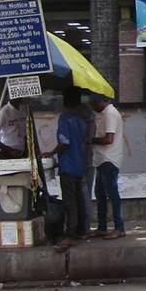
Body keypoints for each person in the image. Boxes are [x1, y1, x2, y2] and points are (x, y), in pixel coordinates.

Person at [45, 86, 90, 250]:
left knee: (70, 200)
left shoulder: (64, 118)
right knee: (79, 199)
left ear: (65, 100)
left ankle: (70, 233)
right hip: (79, 163)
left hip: (68, 165)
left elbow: (64, 142)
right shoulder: (82, 120)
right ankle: (80, 230)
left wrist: (51, 152)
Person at [90, 95, 126, 239]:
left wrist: (90, 140)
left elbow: (108, 139)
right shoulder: (104, 114)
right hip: (102, 159)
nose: (92, 107)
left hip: (108, 159)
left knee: (112, 195)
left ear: (100, 101)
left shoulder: (110, 114)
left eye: (93, 103)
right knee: (100, 194)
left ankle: (119, 227)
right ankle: (102, 227)